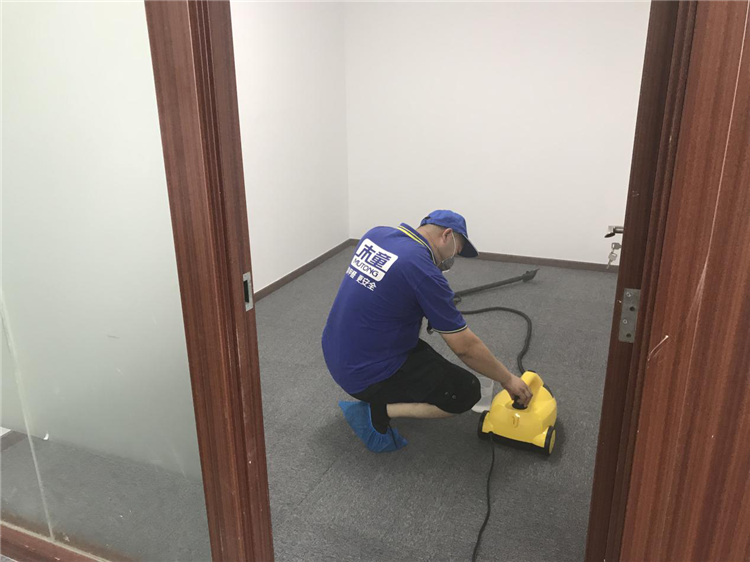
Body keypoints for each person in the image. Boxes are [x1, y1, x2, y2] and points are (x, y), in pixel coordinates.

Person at [322, 210, 532, 452]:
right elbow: (465, 348)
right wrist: (507, 379)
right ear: (446, 235)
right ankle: (378, 411)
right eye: (457, 250)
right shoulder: (424, 272)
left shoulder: (376, 235)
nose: (453, 259)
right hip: (365, 373)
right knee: (466, 391)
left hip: (336, 350)